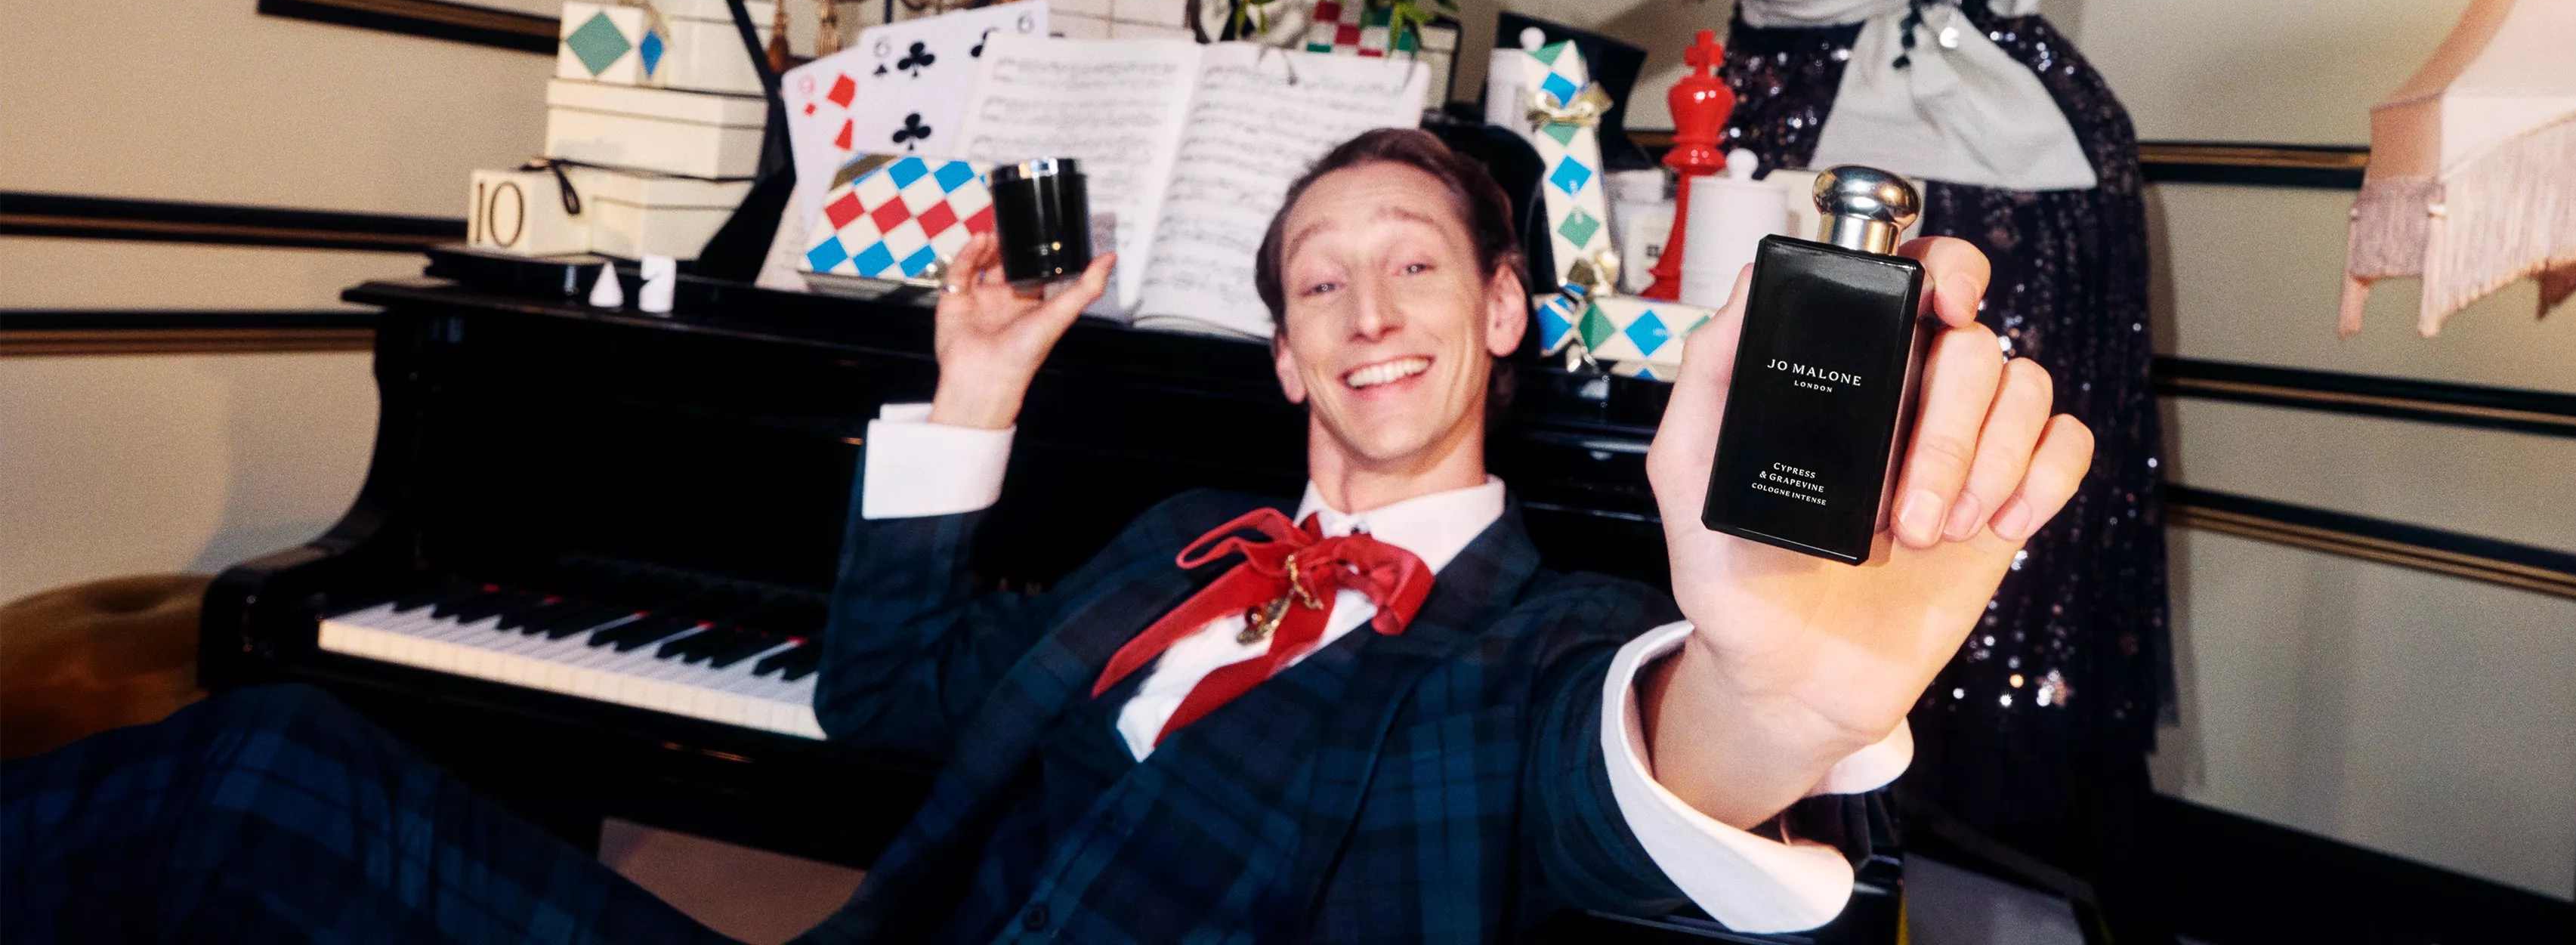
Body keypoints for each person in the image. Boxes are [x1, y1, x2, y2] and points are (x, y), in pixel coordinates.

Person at [3, 128, 2092, 943]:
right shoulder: (1178, 539)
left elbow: (1609, 778)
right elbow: (890, 694)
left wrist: (1765, 701)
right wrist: (976, 393)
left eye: (1416, 269)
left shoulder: (1534, 645)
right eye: (1318, 283)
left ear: (1508, 317)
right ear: (1278, 351)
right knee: (260, 766)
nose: (1367, 310)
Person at [1386, 0, 2269, 939]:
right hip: (1841, 195)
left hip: (2047, 186)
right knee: (1826, 523)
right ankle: (1821, 858)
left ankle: (2028, 864)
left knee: (2010, 494)